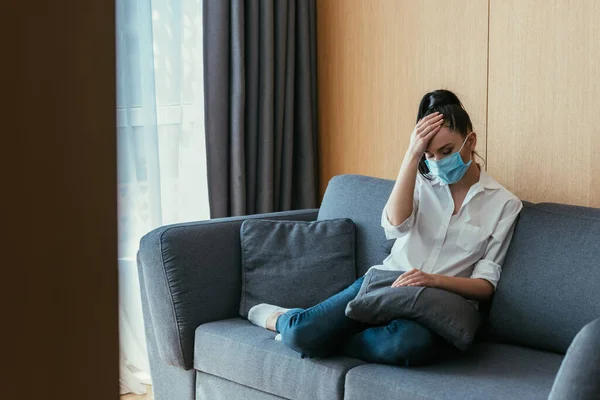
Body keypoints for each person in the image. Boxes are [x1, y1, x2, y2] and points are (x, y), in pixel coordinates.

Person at [247, 89, 523, 367]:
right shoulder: (420, 182)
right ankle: (284, 319)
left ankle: (327, 337)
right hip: (386, 282)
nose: (438, 162)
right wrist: (412, 156)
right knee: (300, 334)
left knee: (405, 344)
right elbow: (394, 226)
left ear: (470, 140)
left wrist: (432, 279)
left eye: (447, 151)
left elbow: (485, 286)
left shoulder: (504, 204)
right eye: (430, 155)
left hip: (436, 305)